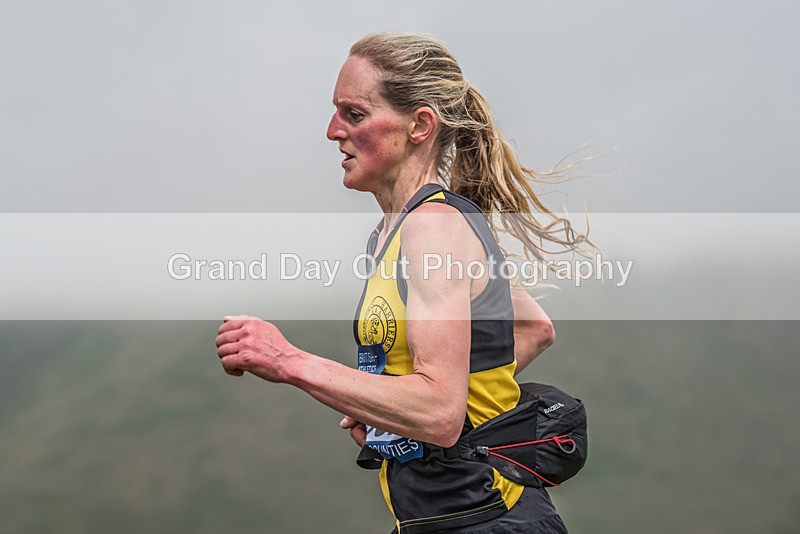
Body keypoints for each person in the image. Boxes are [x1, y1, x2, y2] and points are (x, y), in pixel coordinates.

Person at [216, 32, 589, 533]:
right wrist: (386, 408)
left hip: (486, 520)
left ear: (419, 125)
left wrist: (290, 361)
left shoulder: (432, 228)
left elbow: (438, 411)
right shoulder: (395, 233)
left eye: (354, 114)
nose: (332, 131)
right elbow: (533, 328)